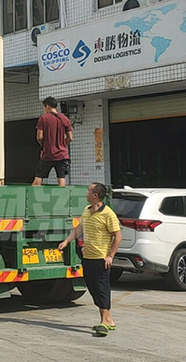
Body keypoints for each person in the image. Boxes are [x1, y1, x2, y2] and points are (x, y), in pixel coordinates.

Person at [58, 182, 122, 336]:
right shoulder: (86, 211)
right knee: (93, 288)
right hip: (88, 257)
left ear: (95, 195)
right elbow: (79, 228)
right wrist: (67, 241)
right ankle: (109, 320)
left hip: (101, 259)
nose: (86, 192)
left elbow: (118, 236)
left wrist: (110, 255)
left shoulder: (108, 214)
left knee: (102, 289)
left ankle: (104, 322)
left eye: (89, 190)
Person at [32, 96, 73, 187]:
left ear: (47, 106)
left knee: (39, 177)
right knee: (61, 177)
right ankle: (62, 198)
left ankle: (32, 197)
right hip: (62, 155)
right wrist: (62, 144)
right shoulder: (65, 119)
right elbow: (70, 137)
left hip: (48, 154)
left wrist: (45, 144)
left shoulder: (43, 118)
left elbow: (39, 137)